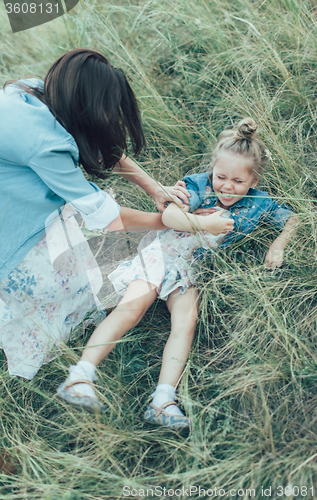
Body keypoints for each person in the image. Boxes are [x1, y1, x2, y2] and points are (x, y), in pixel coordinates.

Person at [57, 118, 298, 428]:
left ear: (253, 181)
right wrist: (203, 224)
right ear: (213, 168)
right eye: (221, 176)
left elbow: (294, 220)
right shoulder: (199, 184)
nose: (226, 186)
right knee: (131, 309)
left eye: (238, 182)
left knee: (185, 324)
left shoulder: (259, 203)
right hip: (162, 255)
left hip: (192, 268)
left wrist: (277, 246)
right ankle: (79, 376)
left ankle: (163, 400)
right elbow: (169, 214)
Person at [0, 48, 191, 380]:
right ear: (85, 107)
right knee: (107, 271)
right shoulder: (47, 146)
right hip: (14, 247)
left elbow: (97, 144)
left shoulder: (32, 92)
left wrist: (155, 189)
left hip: (11, 207)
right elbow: (107, 217)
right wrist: (169, 223)